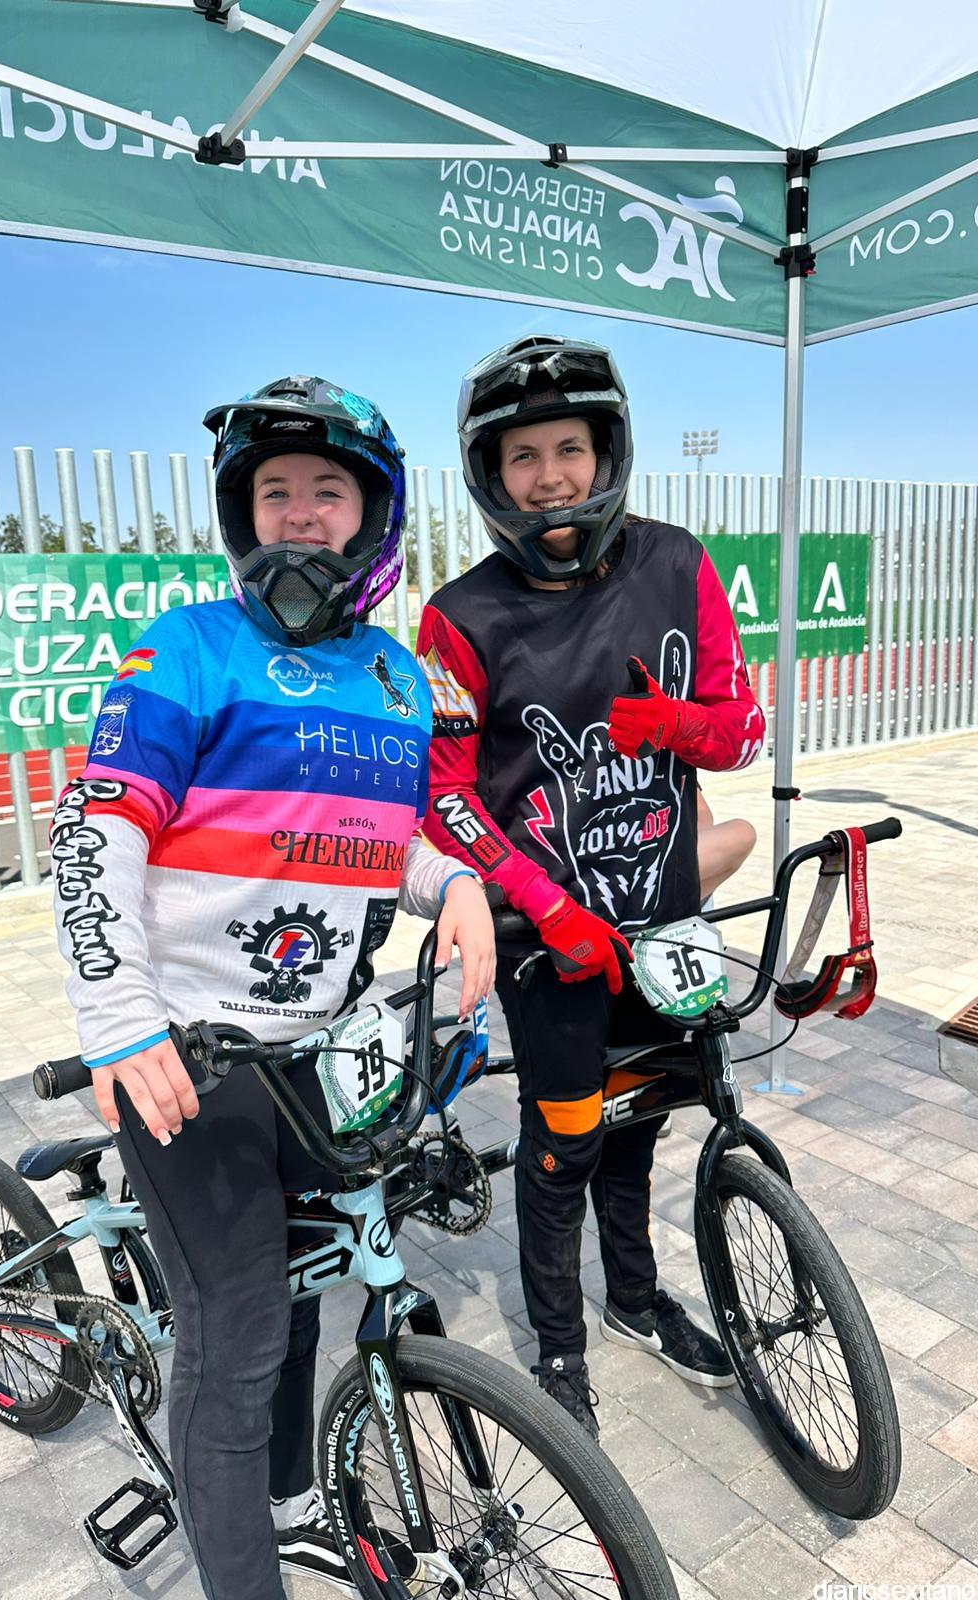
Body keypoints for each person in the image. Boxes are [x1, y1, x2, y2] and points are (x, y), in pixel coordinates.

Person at [51, 376, 495, 1600]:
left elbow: (371, 840)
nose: (299, 513)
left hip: (318, 1054)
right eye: (275, 491)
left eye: (328, 491)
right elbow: (97, 830)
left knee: (306, 1284)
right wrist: (120, 1021)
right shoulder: (188, 647)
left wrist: (453, 880)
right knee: (238, 1343)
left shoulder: (395, 677)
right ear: (242, 514)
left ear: (373, 517)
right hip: (192, 1060)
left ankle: (293, 1497)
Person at [415, 335, 765, 1438]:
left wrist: (677, 726)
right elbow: (443, 797)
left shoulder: (679, 563)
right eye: (523, 456)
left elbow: (744, 731)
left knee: (643, 1121)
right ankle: (559, 1348)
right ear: (491, 474)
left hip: (662, 919)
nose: (550, 476)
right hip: (548, 937)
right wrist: (546, 904)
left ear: (606, 451)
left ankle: (638, 1299)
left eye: (569, 447)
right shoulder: (457, 617)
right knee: (564, 1141)